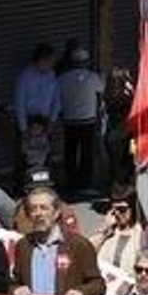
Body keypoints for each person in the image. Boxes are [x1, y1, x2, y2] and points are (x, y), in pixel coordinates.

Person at [90, 183, 148, 284]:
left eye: (122, 209)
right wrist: (104, 230)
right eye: (114, 209)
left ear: (133, 208)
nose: (117, 213)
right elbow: (87, 252)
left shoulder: (147, 231)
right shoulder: (108, 229)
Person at [59, 46, 105, 193]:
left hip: (69, 119)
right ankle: (84, 184)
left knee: (70, 151)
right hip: (88, 120)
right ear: (86, 62)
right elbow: (101, 93)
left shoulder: (62, 78)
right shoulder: (93, 77)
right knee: (87, 153)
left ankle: (71, 182)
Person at [14, 43, 62, 138]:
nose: (53, 63)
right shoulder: (25, 76)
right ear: (42, 59)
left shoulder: (52, 75)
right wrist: (23, 129)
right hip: (28, 121)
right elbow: (19, 103)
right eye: (51, 60)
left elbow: (57, 100)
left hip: (45, 121)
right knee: (27, 151)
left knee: (44, 151)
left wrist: (52, 122)